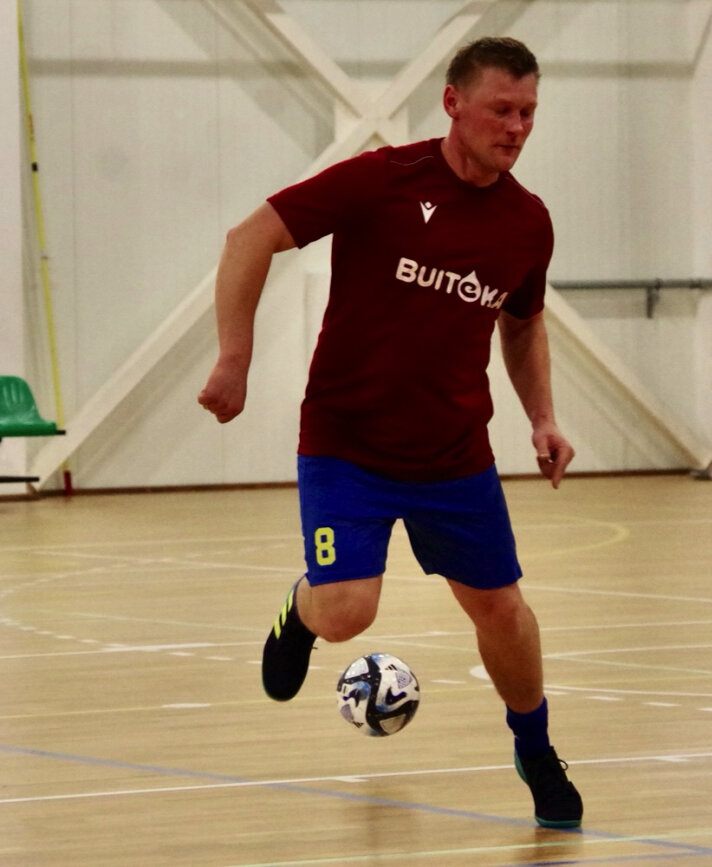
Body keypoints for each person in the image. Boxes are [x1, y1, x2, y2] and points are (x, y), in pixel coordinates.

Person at [197, 36, 583, 828]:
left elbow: (521, 322)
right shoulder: (383, 180)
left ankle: (536, 748)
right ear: (453, 103)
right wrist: (234, 357)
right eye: (501, 110)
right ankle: (299, 610)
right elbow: (249, 237)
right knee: (346, 611)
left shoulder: (527, 222)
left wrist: (542, 416)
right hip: (348, 445)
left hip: (453, 454)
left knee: (503, 610)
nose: (517, 128)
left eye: (528, 113)